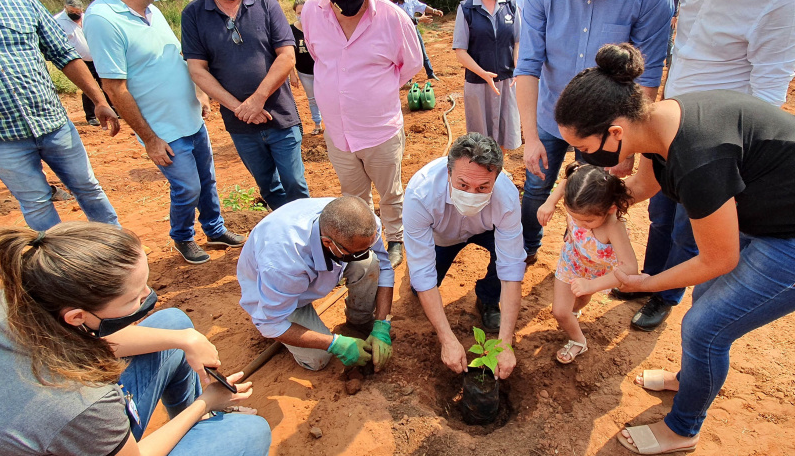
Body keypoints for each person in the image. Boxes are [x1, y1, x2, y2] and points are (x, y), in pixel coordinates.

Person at [555, 43, 795, 455]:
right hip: (782, 215)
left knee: (705, 329)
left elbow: (719, 258)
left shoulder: (697, 160)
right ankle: (689, 380)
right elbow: (642, 187)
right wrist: (592, 209)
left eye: (585, 148)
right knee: (707, 299)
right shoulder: (657, 122)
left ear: (615, 132)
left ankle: (683, 429)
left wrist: (645, 283)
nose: (583, 157)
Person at [0, 222, 271, 456]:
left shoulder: (21, 299)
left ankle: (193, 426)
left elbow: (91, 338)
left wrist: (185, 338)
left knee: (173, 325)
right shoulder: (78, 398)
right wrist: (204, 403)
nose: (148, 294)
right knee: (248, 435)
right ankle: (196, 427)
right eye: (134, 297)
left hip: (50, 451)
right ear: (77, 316)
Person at [625, 0, 795, 331]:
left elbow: (766, 100)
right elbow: (685, 53)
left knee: (688, 230)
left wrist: (727, 167)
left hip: (713, 146)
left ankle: (665, 295)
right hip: (669, 125)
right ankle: (648, 278)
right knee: (660, 215)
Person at [85, 0, 246, 265]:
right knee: (188, 188)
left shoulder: (152, 12)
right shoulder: (103, 19)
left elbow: (177, 58)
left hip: (190, 118)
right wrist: (150, 139)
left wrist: (199, 92)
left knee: (207, 181)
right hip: (162, 129)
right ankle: (183, 237)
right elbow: (115, 87)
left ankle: (214, 229)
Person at [514, 0, 673, 266]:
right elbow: (528, 64)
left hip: (605, 129)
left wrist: (626, 146)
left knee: (590, 195)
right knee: (536, 185)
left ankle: (578, 250)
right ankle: (527, 247)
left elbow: (648, 73)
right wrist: (530, 137)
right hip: (549, 112)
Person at [301, 0, 423, 269]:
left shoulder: (392, 17)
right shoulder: (311, 12)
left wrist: (376, 92)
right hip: (338, 133)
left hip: (380, 130)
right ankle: (365, 244)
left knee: (390, 192)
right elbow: (316, 54)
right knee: (354, 199)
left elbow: (411, 64)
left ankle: (395, 238)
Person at [0, 0, 120, 232]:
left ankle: (116, 246)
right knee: (36, 204)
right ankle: (58, 257)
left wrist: (100, 100)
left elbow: (62, 52)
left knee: (88, 188)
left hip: (52, 122)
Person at [182, 0, 310, 212]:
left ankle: (305, 229)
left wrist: (257, 99)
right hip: (240, 123)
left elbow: (287, 57)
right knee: (268, 186)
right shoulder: (193, 15)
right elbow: (197, 70)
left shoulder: (266, 4)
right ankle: (282, 227)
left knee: (294, 183)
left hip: (280, 115)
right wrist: (240, 108)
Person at [404, 133, 524, 378]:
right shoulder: (421, 194)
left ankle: (488, 299)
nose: (471, 194)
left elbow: (511, 268)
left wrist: (505, 343)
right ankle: (419, 256)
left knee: (506, 260)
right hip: (442, 236)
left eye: (483, 187)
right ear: (449, 173)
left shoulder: (506, 198)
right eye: (463, 185)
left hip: (485, 230)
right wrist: (447, 338)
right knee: (420, 286)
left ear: (496, 179)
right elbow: (424, 274)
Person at [238, 196, 395, 373]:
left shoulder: (363, 224)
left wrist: (382, 325)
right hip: (277, 294)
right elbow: (270, 324)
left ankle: (359, 321)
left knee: (369, 263)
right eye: (356, 252)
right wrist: (335, 344)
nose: (364, 252)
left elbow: (384, 267)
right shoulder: (283, 263)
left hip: (308, 272)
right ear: (328, 243)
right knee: (317, 358)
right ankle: (294, 315)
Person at [536, 163, 637, 364]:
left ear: (610, 209)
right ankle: (578, 340)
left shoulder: (614, 225)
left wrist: (592, 285)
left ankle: (574, 313)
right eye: (574, 217)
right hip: (571, 260)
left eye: (587, 221)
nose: (580, 224)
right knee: (560, 311)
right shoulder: (578, 195)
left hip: (594, 272)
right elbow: (566, 182)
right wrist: (550, 202)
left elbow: (630, 268)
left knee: (581, 299)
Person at [452, 0, 522, 152]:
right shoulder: (467, 9)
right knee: (480, 141)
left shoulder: (511, 5)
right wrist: (483, 73)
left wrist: (517, 64)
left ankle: (500, 168)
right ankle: (486, 170)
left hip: (507, 81)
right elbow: (460, 52)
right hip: (478, 83)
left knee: (506, 134)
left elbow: (518, 40)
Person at [54, 0, 115, 127]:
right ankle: (91, 116)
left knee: (106, 83)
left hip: (98, 57)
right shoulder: (58, 22)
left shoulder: (88, 17)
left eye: (78, 12)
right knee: (88, 86)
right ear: (65, 8)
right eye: (72, 12)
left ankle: (113, 109)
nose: (76, 14)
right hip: (79, 60)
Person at [392, 0, 443, 81]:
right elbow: (404, 20)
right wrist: (420, 19)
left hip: (414, 31)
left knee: (422, 53)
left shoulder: (411, 1)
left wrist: (434, 11)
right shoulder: (393, 6)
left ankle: (430, 73)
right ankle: (408, 79)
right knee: (406, 57)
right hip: (401, 34)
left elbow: (423, 7)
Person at [290, 0, 323, 135]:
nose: (301, 15)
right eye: (298, 12)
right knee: (312, 99)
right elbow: (289, 54)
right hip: (304, 72)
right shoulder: (290, 30)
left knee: (327, 97)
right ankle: (317, 124)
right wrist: (292, 74)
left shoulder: (319, 26)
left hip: (322, 70)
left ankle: (331, 124)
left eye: (304, 11)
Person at [664, 0, 681, 68]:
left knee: (669, 40)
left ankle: (668, 62)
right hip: (661, 17)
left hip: (671, 18)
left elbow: (681, 3)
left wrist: (675, 16)